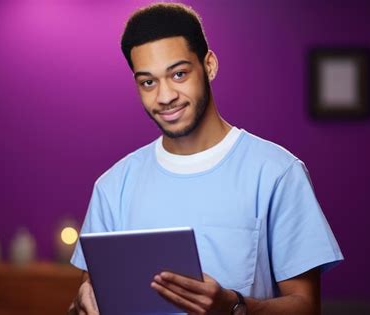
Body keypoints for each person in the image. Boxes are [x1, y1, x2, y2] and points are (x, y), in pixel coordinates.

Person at [69, 3, 343, 314]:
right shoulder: (113, 186)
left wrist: (233, 307)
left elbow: (306, 307)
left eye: (179, 73)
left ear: (209, 65)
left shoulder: (277, 173)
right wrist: (80, 305)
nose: (165, 96)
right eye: (148, 82)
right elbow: (89, 294)